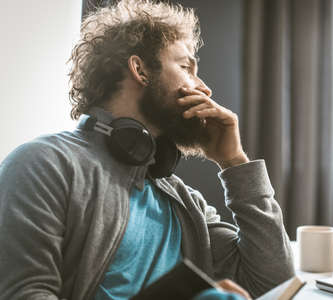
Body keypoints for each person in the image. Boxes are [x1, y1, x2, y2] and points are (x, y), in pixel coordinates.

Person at [0, 1, 295, 299]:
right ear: (140, 69)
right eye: (185, 67)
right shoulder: (43, 164)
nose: (203, 88)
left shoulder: (181, 201)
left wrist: (234, 163)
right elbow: (25, 293)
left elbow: (272, 285)